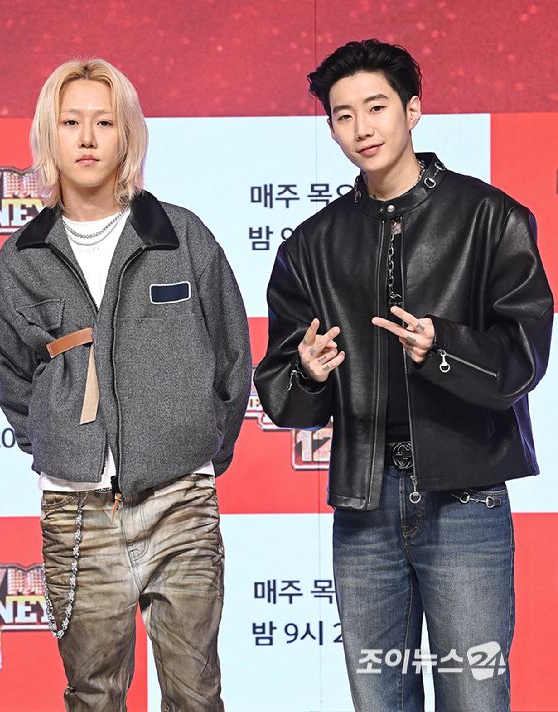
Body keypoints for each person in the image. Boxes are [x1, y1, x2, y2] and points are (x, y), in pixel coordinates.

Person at [253, 39, 553, 711]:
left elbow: (523, 360)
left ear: (413, 110)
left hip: (465, 498)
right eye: (344, 115)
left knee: (474, 696)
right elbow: (284, 398)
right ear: (331, 128)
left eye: (377, 107)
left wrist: (442, 347)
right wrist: (308, 372)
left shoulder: (490, 219)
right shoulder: (310, 247)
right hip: (365, 506)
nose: (362, 128)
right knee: (378, 698)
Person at [0, 58, 251, 711]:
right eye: (70, 122)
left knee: (195, 695)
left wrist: (197, 451)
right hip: (76, 514)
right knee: (94, 696)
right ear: (48, 136)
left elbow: (231, 356)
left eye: (104, 122)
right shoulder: (20, 262)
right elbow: (15, 382)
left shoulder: (180, 237)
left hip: (181, 502)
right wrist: (64, 448)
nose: (87, 138)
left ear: (127, 135)